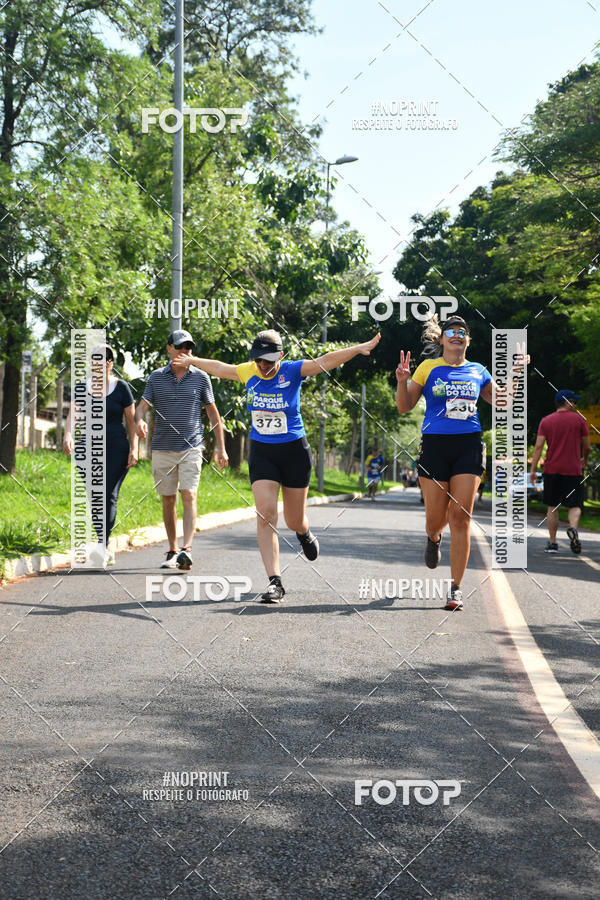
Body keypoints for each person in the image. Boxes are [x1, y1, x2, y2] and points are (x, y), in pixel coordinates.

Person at [172, 328, 381, 602]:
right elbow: (220, 368)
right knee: (266, 514)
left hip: (294, 452)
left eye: (269, 361)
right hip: (262, 453)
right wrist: (192, 360)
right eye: (259, 360)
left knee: (294, 519)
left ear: (280, 356)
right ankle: (275, 582)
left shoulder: (293, 371)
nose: (263, 366)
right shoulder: (249, 371)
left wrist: (357, 348)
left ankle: (303, 533)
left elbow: (325, 360)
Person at [395, 315, 526, 611]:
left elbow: (502, 401)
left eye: (462, 332)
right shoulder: (428, 368)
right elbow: (404, 407)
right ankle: (433, 536)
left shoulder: (478, 370)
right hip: (434, 446)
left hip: (468, 444)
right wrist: (402, 382)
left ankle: (455, 588)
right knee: (436, 517)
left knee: (461, 516)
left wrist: (516, 372)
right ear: (441, 339)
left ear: (468, 340)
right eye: (451, 331)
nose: (457, 335)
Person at [135, 330, 228, 571]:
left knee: (189, 494)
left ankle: (186, 550)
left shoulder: (201, 378)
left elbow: (212, 413)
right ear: (169, 349)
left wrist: (221, 446)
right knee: (168, 500)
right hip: (162, 448)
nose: (184, 352)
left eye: (188, 348)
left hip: (192, 446)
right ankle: (172, 549)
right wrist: (139, 420)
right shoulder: (156, 378)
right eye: (180, 347)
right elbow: (142, 406)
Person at [63, 343, 138, 567]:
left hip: (117, 447)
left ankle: (102, 545)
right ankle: (103, 544)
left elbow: (132, 422)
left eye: (106, 358)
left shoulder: (122, 388)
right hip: (88, 447)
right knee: (94, 495)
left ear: (111, 363)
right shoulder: (80, 387)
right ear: (90, 362)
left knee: (108, 493)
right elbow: (72, 415)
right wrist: (68, 435)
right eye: (97, 358)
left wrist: (135, 448)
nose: (102, 362)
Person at [530, 389, 590, 554]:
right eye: (574, 402)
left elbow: (538, 447)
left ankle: (553, 543)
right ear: (567, 402)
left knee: (553, 506)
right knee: (575, 505)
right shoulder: (579, 420)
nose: (575, 405)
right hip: (573, 470)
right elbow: (587, 446)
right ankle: (572, 529)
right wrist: (584, 458)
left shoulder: (546, 421)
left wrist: (533, 470)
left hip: (552, 470)